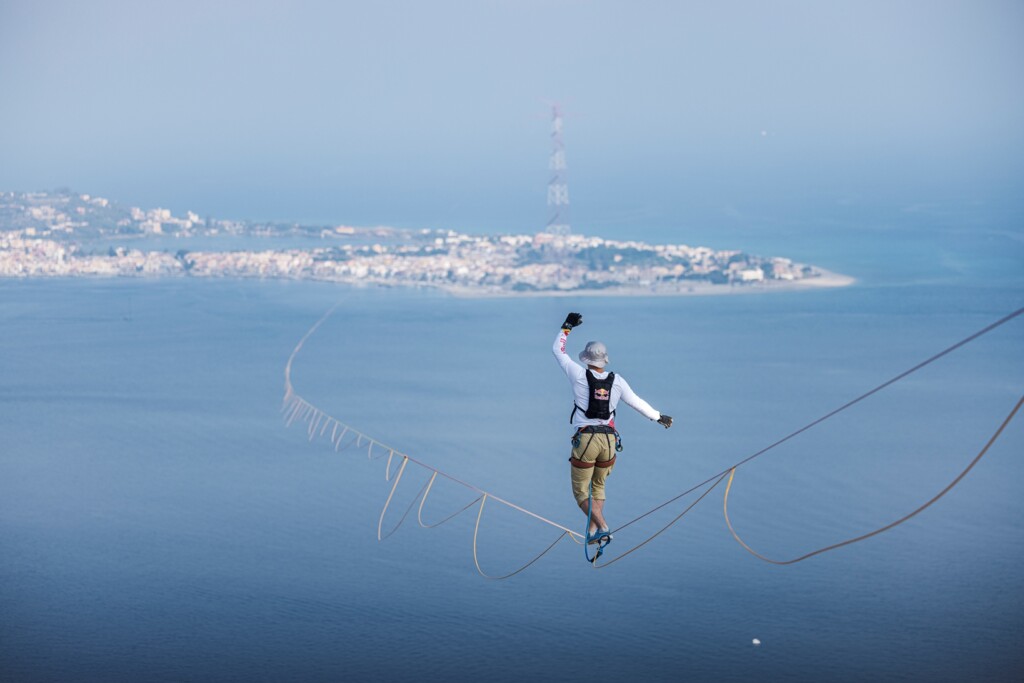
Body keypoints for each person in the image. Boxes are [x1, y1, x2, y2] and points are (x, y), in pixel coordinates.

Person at [552, 311, 672, 545]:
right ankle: (594, 532)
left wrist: (567, 327)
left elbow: (558, 351)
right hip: (609, 442)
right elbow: (636, 402)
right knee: (598, 486)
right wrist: (659, 417)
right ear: (604, 360)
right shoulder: (617, 380)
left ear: (586, 359)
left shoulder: (578, 374)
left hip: (586, 440)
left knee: (580, 492)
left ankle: (603, 526)